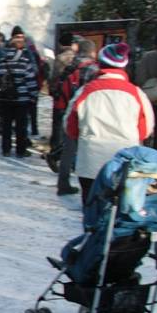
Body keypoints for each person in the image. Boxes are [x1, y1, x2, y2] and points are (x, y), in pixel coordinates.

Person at [64, 42, 155, 203]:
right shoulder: (136, 93)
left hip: (90, 163)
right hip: (123, 163)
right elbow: (145, 130)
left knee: (92, 209)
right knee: (119, 210)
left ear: (100, 64)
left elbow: (70, 127)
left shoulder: (85, 91)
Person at [54, 39, 100, 196]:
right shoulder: (94, 69)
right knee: (89, 150)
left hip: (69, 111)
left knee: (68, 150)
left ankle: (63, 183)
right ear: (92, 52)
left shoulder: (69, 65)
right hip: (88, 114)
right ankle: (89, 187)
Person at [0, 26, 39, 157]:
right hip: (21, 98)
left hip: (5, 98)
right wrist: (33, 95)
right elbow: (30, 80)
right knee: (21, 127)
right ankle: (20, 150)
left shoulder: (2, 61)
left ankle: (6, 149)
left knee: (6, 125)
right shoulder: (25, 61)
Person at [49, 32, 80, 155]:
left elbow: (54, 76)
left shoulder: (60, 57)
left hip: (60, 95)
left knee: (57, 124)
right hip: (73, 95)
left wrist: (52, 90)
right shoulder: (77, 58)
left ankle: (55, 149)